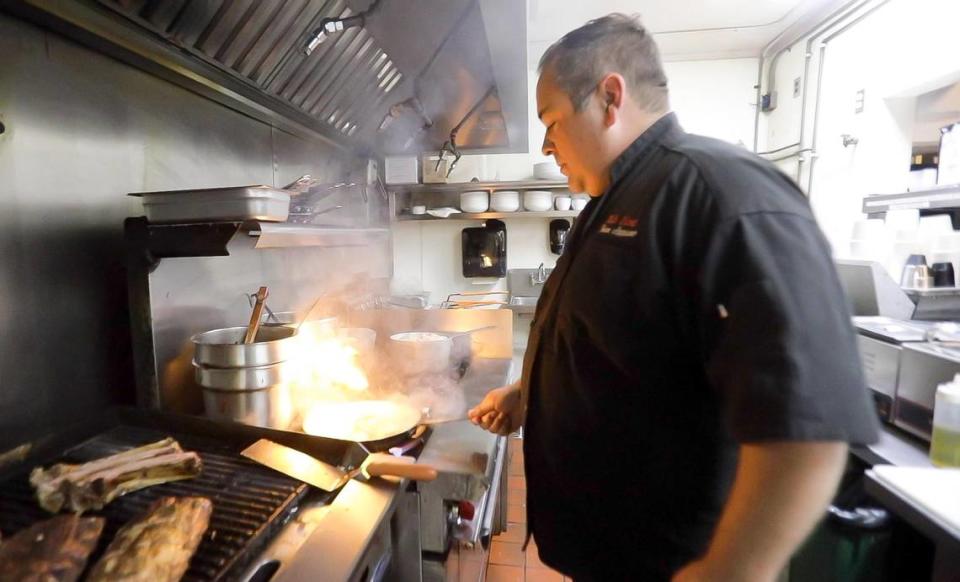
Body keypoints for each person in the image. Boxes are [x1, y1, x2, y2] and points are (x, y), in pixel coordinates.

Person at [468, 13, 878, 582]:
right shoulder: (609, 204)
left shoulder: (721, 193)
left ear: (610, 97)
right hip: (606, 554)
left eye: (553, 120)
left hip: (669, 562)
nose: (546, 143)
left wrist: (725, 573)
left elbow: (807, 426)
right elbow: (624, 344)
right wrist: (528, 392)